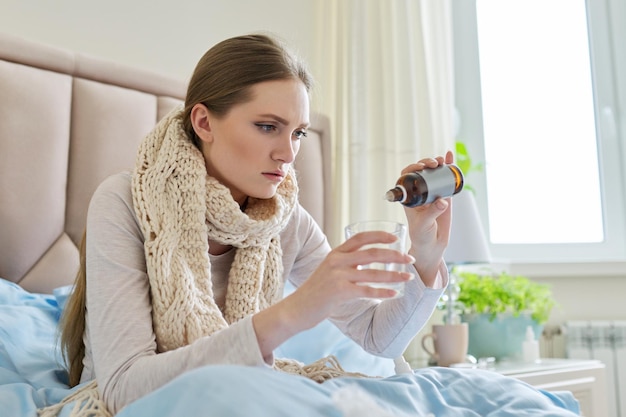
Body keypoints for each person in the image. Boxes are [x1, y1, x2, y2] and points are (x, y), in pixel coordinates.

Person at [51, 33, 452, 416]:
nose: (287, 152)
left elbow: (378, 338)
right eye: (267, 126)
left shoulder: (286, 218)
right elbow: (123, 389)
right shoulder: (123, 201)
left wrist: (426, 253)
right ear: (204, 123)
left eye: (298, 133)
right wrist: (293, 311)